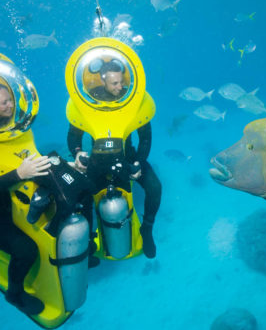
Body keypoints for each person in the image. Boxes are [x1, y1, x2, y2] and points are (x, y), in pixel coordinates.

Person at [67, 60, 161, 259]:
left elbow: (145, 138)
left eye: (121, 82)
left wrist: (138, 161)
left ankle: (147, 229)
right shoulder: (89, 102)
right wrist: (77, 153)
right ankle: (90, 239)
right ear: (103, 81)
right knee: (82, 194)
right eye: (114, 84)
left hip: (128, 157)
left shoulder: (134, 100)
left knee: (155, 187)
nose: (121, 87)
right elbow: (74, 137)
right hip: (97, 161)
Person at [0, 84, 52, 314]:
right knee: (26, 249)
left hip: (11, 202)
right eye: (3, 103)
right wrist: (19, 174)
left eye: (9, 99)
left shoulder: (16, 128)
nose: (10, 105)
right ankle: (14, 294)